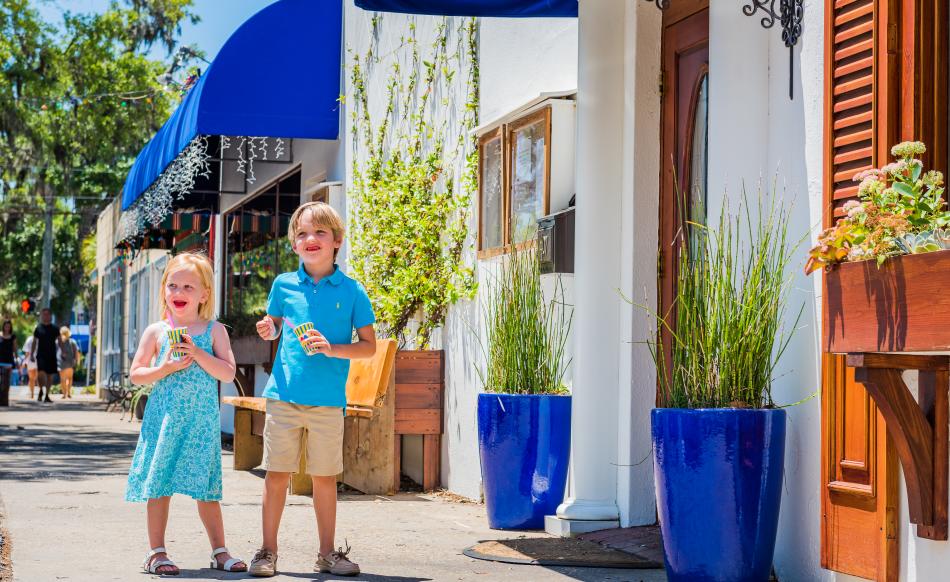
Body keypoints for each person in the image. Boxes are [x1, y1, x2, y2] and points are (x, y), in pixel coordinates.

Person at [250, 202, 376, 578]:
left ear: (337, 241)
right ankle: (267, 551)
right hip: (284, 396)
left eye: (320, 233)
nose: (311, 239)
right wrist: (268, 330)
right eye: (303, 233)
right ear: (293, 244)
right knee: (276, 475)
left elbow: (369, 345)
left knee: (324, 478)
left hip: (327, 401)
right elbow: (274, 325)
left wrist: (334, 348)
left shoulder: (352, 291)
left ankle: (326, 554)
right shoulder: (283, 285)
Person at [125, 252, 247, 576]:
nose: (179, 293)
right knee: (159, 486)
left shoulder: (214, 330)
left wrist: (197, 353)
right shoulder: (157, 332)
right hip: (163, 424)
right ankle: (157, 552)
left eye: (189, 287)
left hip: (200, 424)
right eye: (173, 285)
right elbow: (136, 374)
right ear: (164, 289)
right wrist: (164, 368)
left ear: (204, 294)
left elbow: (226, 372)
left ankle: (220, 551)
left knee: (207, 489)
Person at [30, 308, 58, 403]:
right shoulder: (38, 328)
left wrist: (63, 351)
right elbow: (34, 341)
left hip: (51, 355)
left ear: (50, 316)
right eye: (43, 314)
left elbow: (60, 341)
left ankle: (47, 395)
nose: (45, 316)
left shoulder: (55, 328)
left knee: (50, 375)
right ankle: (41, 389)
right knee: (41, 373)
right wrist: (31, 354)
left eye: (47, 314)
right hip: (41, 354)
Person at [56, 327, 80, 399]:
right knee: (69, 378)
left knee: (62, 379)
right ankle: (68, 392)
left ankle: (64, 394)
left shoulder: (57, 342)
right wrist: (77, 360)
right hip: (70, 362)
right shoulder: (72, 341)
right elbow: (76, 352)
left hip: (61, 362)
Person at [0, 320, 15, 406]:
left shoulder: (13, 337)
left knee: (6, 383)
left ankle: (5, 401)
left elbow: (15, 349)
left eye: (9, 326)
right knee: (0, 382)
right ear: (3, 326)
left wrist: (16, 360)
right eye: (6, 326)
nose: (7, 328)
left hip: (9, 361)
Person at [22, 335, 37, 399]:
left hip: (30, 360)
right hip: (39, 359)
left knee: (31, 379)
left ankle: (32, 394)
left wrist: (24, 361)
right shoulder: (42, 338)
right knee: (37, 378)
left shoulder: (29, 339)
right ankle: (36, 393)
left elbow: (27, 352)